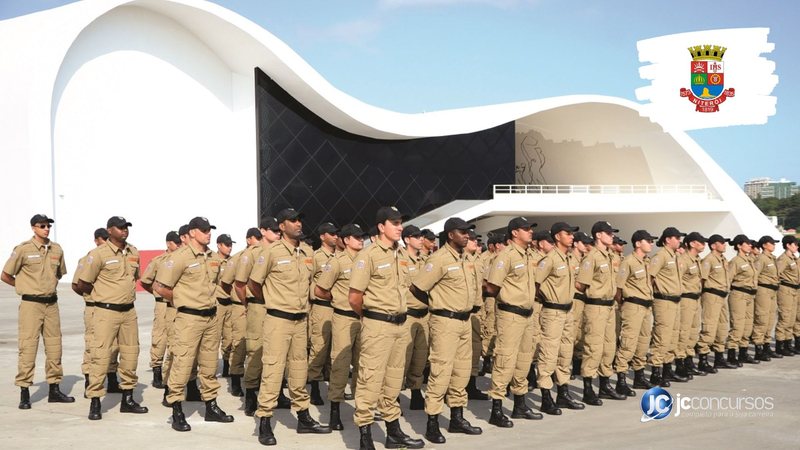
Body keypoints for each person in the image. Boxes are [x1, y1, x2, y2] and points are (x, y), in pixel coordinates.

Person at [248, 208, 331, 446]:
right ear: (281, 226)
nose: (298, 224)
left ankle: (303, 418)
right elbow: (255, 284)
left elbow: (314, 282)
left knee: (299, 370)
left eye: (299, 220)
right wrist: (271, 302)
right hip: (278, 320)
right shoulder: (271, 252)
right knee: (273, 370)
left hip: (301, 320)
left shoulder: (306, 252)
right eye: (292, 221)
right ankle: (264, 421)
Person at [350, 206, 423, 450]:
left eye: (400, 222)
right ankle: (365, 436)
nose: (400, 227)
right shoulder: (368, 256)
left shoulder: (401, 255)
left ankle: (393, 433)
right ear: (381, 227)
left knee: (393, 381)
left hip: (400, 325)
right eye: (395, 223)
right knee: (370, 381)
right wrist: (372, 317)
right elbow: (354, 297)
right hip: (377, 326)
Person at [154, 217, 234, 431]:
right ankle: (177, 410)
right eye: (204, 230)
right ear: (192, 232)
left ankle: (211, 406)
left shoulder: (212, 257)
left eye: (210, 230)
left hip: (211, 317)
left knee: (209, 365)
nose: (209, 233)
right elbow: (160, 286)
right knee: (182, 364)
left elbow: (215, 284)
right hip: (189, 319)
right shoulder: (180, 257)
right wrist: (182, 299)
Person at [411, 217, 483, 443]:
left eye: (468, 232)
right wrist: (437, 302)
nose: (467, 235)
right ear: (450, 234)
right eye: (462, 232)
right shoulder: (439, 259)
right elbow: (418, 287)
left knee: (461, 372)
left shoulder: (467, 259)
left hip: (464, 321)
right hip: (445, 321)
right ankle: (432, 422)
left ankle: (456, 418)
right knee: (441, 371)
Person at [76, 216, 147, 420]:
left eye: (126, 227)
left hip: (128, 312)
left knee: (130, 354)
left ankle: (128, 399)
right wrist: (102, 297)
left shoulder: (133, 251)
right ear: (109, 230)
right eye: (120, 227)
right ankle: (95, 401)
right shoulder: (98, 254)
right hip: (106, 312)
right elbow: (83, 284)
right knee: (100, 356)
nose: (124, 230)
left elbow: (134, 278)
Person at [2, 214, 74, 409]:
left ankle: (54, 389)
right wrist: (24, 287)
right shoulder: (23, 250)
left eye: (48, 225)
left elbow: (58, 274)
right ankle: (24, 391)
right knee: (28, 347)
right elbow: (6, 275)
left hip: (51, 304)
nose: (46, 229)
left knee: (54, 346)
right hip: (31, 306)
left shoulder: (57, 249)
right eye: (42, 226)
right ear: (33, 228)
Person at [484, 217, 543, 427]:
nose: (530, 232)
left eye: (530, 228)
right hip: (510, 314)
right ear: (514, 233)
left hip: (527, 314)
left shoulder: (528, 256)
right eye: (526, 229)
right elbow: (492, 287)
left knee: (524, 360)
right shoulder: (505, 256)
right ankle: (497, 408)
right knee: (504, 360)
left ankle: (519, 404)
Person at [315, 223, 368, 430]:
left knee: (362, 366)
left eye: (361, 237)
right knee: (340, 366)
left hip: (364, 319)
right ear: (346, 240)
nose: (360, 240)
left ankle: (361, 411)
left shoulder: (366, 259)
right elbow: (320, 290)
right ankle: (334, 412)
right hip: (344, 319)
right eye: (356, 237)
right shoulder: (336, 262)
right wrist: (338, 297)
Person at [236, 217, 290, 416]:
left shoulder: (281, 252)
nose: (278, 234)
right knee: (256, 350)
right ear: (263, 231)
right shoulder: (252, 254)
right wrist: (249, 303)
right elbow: (240, 284)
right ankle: (250, 393)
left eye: (279, 231)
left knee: (279, 352)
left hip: (278, 309)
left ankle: (278, 392)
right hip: (259, 306)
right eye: (274, 231)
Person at [535, 222, 584, 416]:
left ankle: (563, 392)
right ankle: (546, 397)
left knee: (565, 352)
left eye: (572, 234)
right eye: (568, 234)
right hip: (553, 312)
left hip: (567, 311)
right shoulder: (550, 259)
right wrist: (547, 299)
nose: (571, 237)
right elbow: (535, 284)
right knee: (549, 353)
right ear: (557, 237)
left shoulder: (569, 258)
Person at [576, 221, 623, 404]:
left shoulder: (610, 256)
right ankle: (588, 388)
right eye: (609, 233)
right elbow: (580, 284)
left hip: (610, 306)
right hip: (595, 306)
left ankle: (604, 385)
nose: (612, 236)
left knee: (609, 347)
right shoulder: (592, 257)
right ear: (598, 235)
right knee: (593, 347)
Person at [73, 228, 122, 397]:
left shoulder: (117, 256)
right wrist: (94, 295)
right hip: (94, 307)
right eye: (103, 240)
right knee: (93, 345)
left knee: (114, 345)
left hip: (111, 308)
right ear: (96, 240)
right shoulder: (88, 258)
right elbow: (77, 285)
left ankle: (112, 378)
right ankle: (90, 381)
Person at [613, 230, 658, 396]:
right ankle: (621, 379)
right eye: (648, 241)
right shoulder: (629, 262)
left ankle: (639, 376)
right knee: (628, 342)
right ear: (638, 243)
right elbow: (618, 287)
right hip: (633, 306)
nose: (651, 243)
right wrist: (624, 304)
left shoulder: (647, 262)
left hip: (646, 306)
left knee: (643, 342)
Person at [220, 228, 262, 397]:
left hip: (260, 306)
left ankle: (258, 378)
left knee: (259, 344)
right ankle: (236, 380)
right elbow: (226, 283)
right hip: (241, 305)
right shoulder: (238, 258)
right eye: (256, 237)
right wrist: (242, 300)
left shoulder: (265, 256)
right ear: (248, 239)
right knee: (240, 342)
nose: (259, 240)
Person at [140, 231, 182, 389]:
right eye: (175, 243)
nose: (178, 245)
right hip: (163, 304)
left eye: (180, 243)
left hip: (176, 304)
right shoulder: (158, 261)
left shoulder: (180, 260)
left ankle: (171, 371)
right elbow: (145, 281)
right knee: (160, 336)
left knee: (175, 337)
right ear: (168, 243)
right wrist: (157, 293)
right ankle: (157, 371)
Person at [308, 222, 339, 406]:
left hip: (338, 307)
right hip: (322, 307)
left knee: (335, 349)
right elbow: (308, 281)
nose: (335, 236)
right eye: (331, 233)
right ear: (322, 236)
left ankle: (334, 387)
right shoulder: (316, 257)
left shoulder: (340, 257)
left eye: (336, 234)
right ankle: (315, 388)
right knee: (319, 347)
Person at [400, 224, 429, 410]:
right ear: (407, 239)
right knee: (402, 358)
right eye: (416, 236)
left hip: (424, 315)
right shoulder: (399, 259)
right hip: (407, 315)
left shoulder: (425, 261)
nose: (421, 239)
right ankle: (393, 396)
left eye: (421, 236)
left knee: (420, 357)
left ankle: (416, 392)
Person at [696, 235, 735, 372]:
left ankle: (719, 357)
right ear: (713, 246)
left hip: (722, 296)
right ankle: (703, 359)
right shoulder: (708, 260)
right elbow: (702, 279)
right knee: (709, 327)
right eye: (722, 243)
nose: (725, 245)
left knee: (722, 327)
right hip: (711, 296)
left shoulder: (723, 259)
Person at [675, 232, 707, 379]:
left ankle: (689, 360)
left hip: (695, 298)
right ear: (692, 244)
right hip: (686, 299)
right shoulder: (683, 260)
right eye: (700, 242)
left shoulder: (697, 260)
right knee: (684, 331)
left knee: (694, 331)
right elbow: (677, 279)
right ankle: (680, 363)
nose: (703, 244)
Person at [726, 234, 760, 366]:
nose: (750, 245)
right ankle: (731, 354)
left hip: (750, 295)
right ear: (739, 245)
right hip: (739, 294)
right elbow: (729, 278)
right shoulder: (736, 261)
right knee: (738, 325)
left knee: (747, 325)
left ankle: (743, 352)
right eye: (747, 243)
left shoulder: (749, 260)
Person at [464, 229, 489, 400]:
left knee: (475, 350)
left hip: (476, 311)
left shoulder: (477, 261)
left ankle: (470, 385)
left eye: (476, 240)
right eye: (472, 239)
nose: (475, 242)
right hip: (461, 313)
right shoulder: (459, 260)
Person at [479, 234, 505, 377]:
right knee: (489, 328)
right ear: (494, 246)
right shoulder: (490, 259)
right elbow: (487, 282)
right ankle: (487, 359)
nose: (503, 246)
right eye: (501, 243)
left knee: (497, 329)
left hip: (502, 298)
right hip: (491, 298)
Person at [752, 236, 779, 361]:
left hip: (772, 290)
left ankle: (767, 345)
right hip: (763, 290)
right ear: (764, 245)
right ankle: (759, 348)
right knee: (762, 318)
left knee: (770, 319)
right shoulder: (761, 259)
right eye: (771, 243)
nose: (773, 245)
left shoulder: (772, 258)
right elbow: (755, 275)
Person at [213, 234, 236, 379]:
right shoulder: (212, 261)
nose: (229, 247)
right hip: (217, 303)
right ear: (219, 245)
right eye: (226, 245)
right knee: (213, 338)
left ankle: (227, 366)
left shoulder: (233, 261)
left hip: (230, 304)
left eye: (231, 245)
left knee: (229, 337)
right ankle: (209, 369)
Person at [775, 235, 799, 356]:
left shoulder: (793, 258)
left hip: (794, 290)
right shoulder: (783, 259)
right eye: (795, 244)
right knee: (784, 318)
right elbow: (776, 274)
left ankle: (788, 344)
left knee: (791, 318)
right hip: (785, 289)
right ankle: (780, 344)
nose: (797, 246)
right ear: (788, 245)